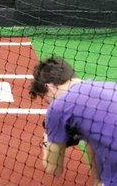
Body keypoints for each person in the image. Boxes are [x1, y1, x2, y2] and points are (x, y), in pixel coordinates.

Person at [29, 57, 117, 186]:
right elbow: (91, 143)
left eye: (46, 99)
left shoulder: (59, 106)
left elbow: (53, 169)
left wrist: (47, 139)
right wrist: (98, 181)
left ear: (50, 87)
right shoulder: (110, 87)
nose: (49, 103)